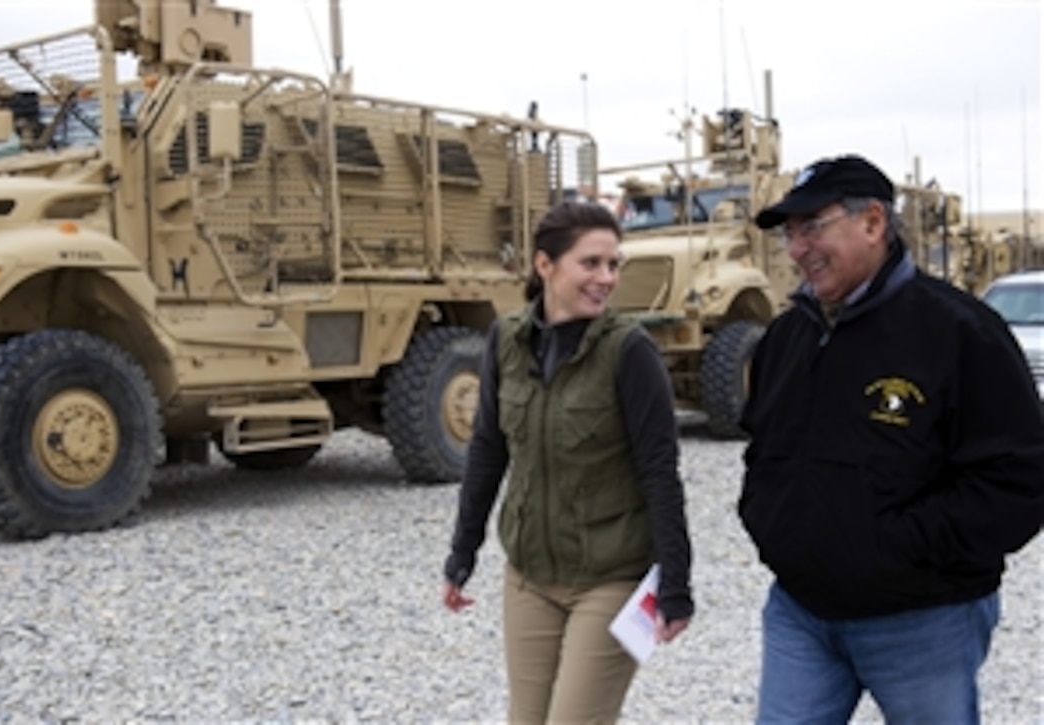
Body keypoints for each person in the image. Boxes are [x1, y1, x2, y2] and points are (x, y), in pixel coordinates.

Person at [740, 154, 1044, 723]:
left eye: (812, 228)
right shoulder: (788, 336)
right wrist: (771, 523)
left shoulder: (961, 332)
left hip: (923, 619)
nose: (797, 249)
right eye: (790, 234)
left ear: (874, 223)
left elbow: (1017, 483)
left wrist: (897, 548)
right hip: (800, 612)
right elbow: (762, 450)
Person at [441, 200, 694, 723]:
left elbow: (660, 472)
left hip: (611, 577)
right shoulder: (505, 340)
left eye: (613, 264)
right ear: (544, 265)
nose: (606, 278)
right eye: (591, 263)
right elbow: (488, 449)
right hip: (530, 575)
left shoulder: (630, 352)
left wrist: (676, 583)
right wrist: (462, 553)